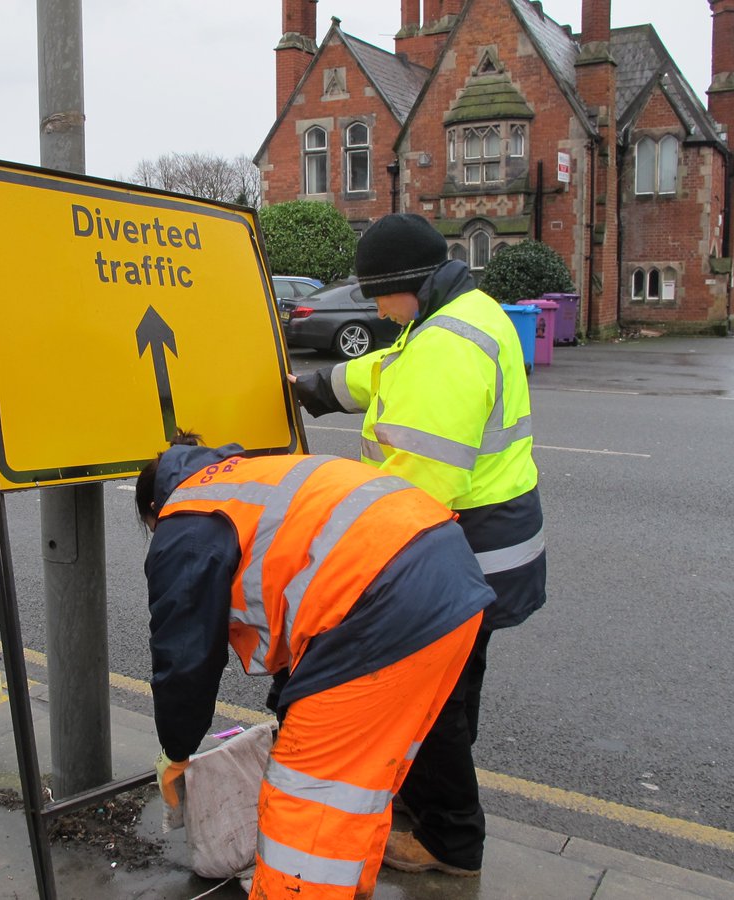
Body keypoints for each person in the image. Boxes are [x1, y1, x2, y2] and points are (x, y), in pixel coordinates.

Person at [288, 212, 547, 877]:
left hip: (459, 551)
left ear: (408, 282)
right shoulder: (458, 315)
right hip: (493, 546)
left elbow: (415, 488)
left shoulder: (445, 346)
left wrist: (344, 545)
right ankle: (430, 804)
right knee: (454, 695)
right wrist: (315, 389)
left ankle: (450, 839)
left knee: (428, 702)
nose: (375, 306)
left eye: (379, 292)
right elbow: (388, 370)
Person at [137, 432, 495, 899]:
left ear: (154, 507)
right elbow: (300, 583)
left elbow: (184, 658)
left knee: (305, 799)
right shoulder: (248, 474)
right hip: (451, 578)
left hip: (382, 602)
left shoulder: (185, 520)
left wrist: (176, 750)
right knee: (357, 785)